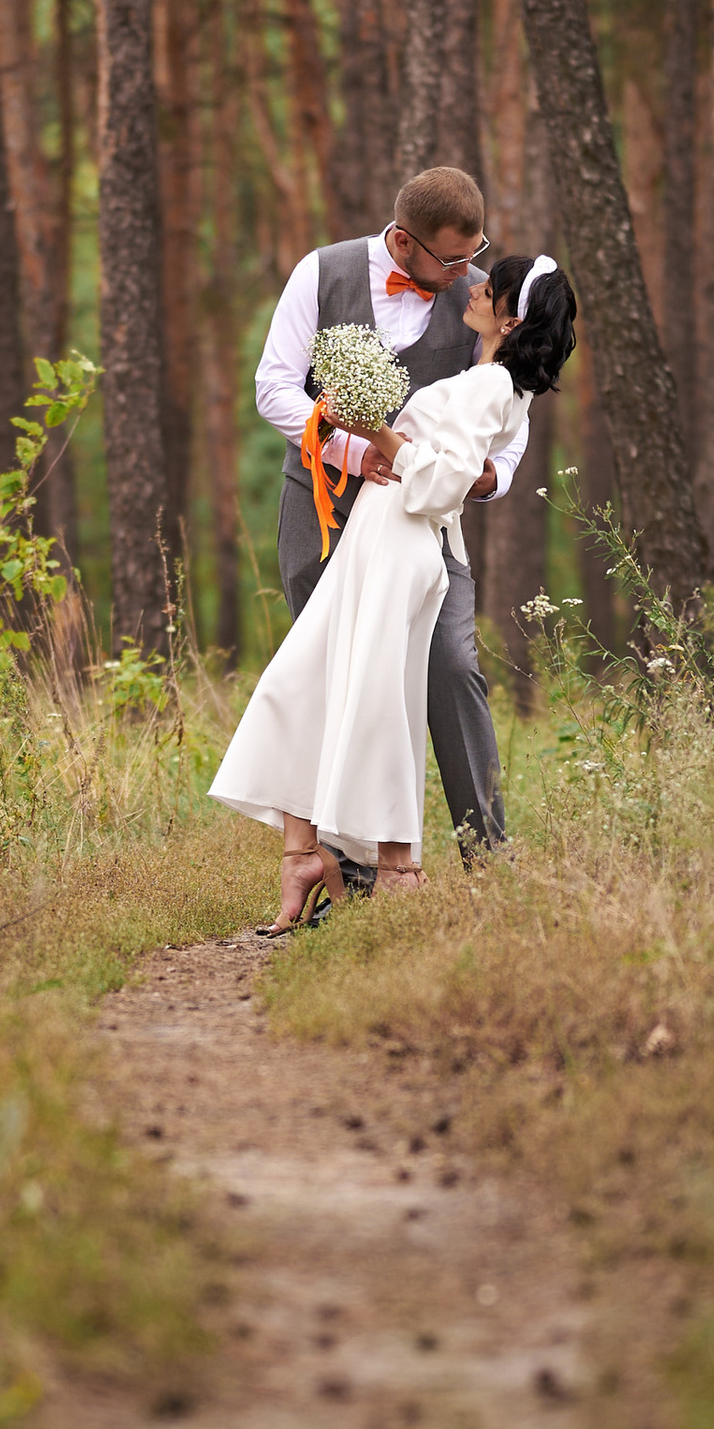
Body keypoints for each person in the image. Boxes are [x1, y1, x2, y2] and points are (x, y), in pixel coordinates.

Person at [214, 258, 581, 924]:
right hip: (377, 538)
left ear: (510, 318)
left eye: (489, 285)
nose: (474, 286)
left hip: (402, 541)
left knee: (379, 700)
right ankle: (304, 858)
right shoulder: (494, 382)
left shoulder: (489, 386)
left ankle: (397, 871)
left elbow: (444, 483)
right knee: (309, 683)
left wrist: (374, 431)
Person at [252, 167, 519, 905]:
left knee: (454, 668)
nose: (468, 275)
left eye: (475, 256)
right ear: (403, 241)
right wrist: (350, 451)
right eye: (451, 260)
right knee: (334, 678)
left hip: (425, 527)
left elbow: (502, 409)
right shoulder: (322, 272)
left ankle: (490, 863)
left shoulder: (475, 305)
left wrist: (493, 476)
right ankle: (350, 874)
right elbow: (276, 384)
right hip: (324, 512)